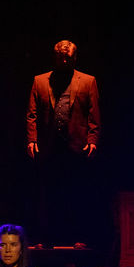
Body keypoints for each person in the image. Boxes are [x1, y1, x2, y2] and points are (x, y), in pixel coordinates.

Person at [26, 40, 101, 249]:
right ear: (55, 58)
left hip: (76, 146)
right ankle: (46, 238)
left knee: (76, 193)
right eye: (61, 57)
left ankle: (78, 237)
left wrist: (92, 139)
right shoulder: (40, 81)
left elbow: (94, 114)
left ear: (75, 58)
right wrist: (32, 139)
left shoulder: (88, 81)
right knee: (47, 194)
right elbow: (32, 114)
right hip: (49, 145)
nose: (64, 61)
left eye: (68, 57)